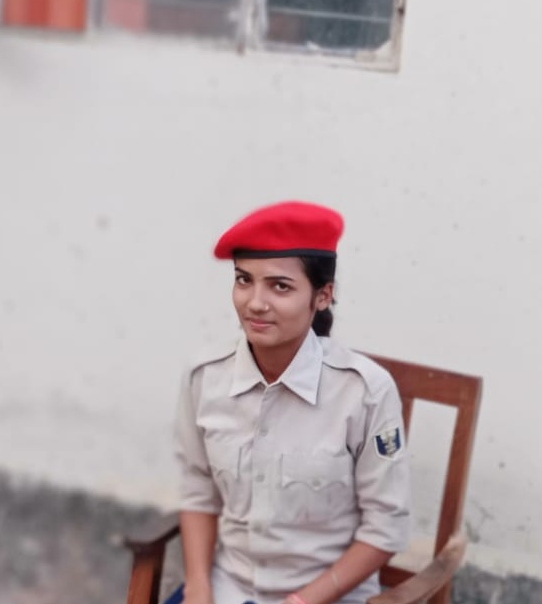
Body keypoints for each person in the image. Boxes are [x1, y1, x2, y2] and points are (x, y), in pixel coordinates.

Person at [173, 201, 410, 604]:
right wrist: (198, 586)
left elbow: (386, 528)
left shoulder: (364, 392)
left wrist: (302, 601)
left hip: (328, 596)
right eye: (244, 280)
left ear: (323, 296)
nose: (255, 302)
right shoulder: (205, 377)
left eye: (280, 286)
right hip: (228, 589)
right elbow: (198, 490)